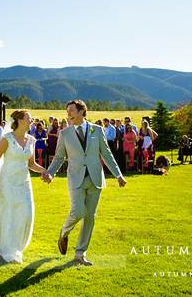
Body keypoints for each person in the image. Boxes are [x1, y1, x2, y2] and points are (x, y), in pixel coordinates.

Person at [45, 100, 126, 266]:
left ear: (82, 111)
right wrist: (51, 173)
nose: (68, 114)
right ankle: (64, 232)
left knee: (89, 217)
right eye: (67, 111)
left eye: (71, 110)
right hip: (75, 178)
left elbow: (106, 153)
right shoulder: (65, 133)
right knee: (77, 212)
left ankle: (80, 254)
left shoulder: (96, 130)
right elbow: (59, 157)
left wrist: (118, 174)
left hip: (95, 178)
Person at [0, 109, 50, 264]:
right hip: (7, 181)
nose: (32, 120)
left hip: (24, 182)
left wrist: (44, 170)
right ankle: (11, 249)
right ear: (20, 121)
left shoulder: (31, 140)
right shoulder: (7, 138)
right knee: (10, 213)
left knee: (27, 213)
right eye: (29, 118)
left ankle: (18, 245)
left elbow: (31, 163)